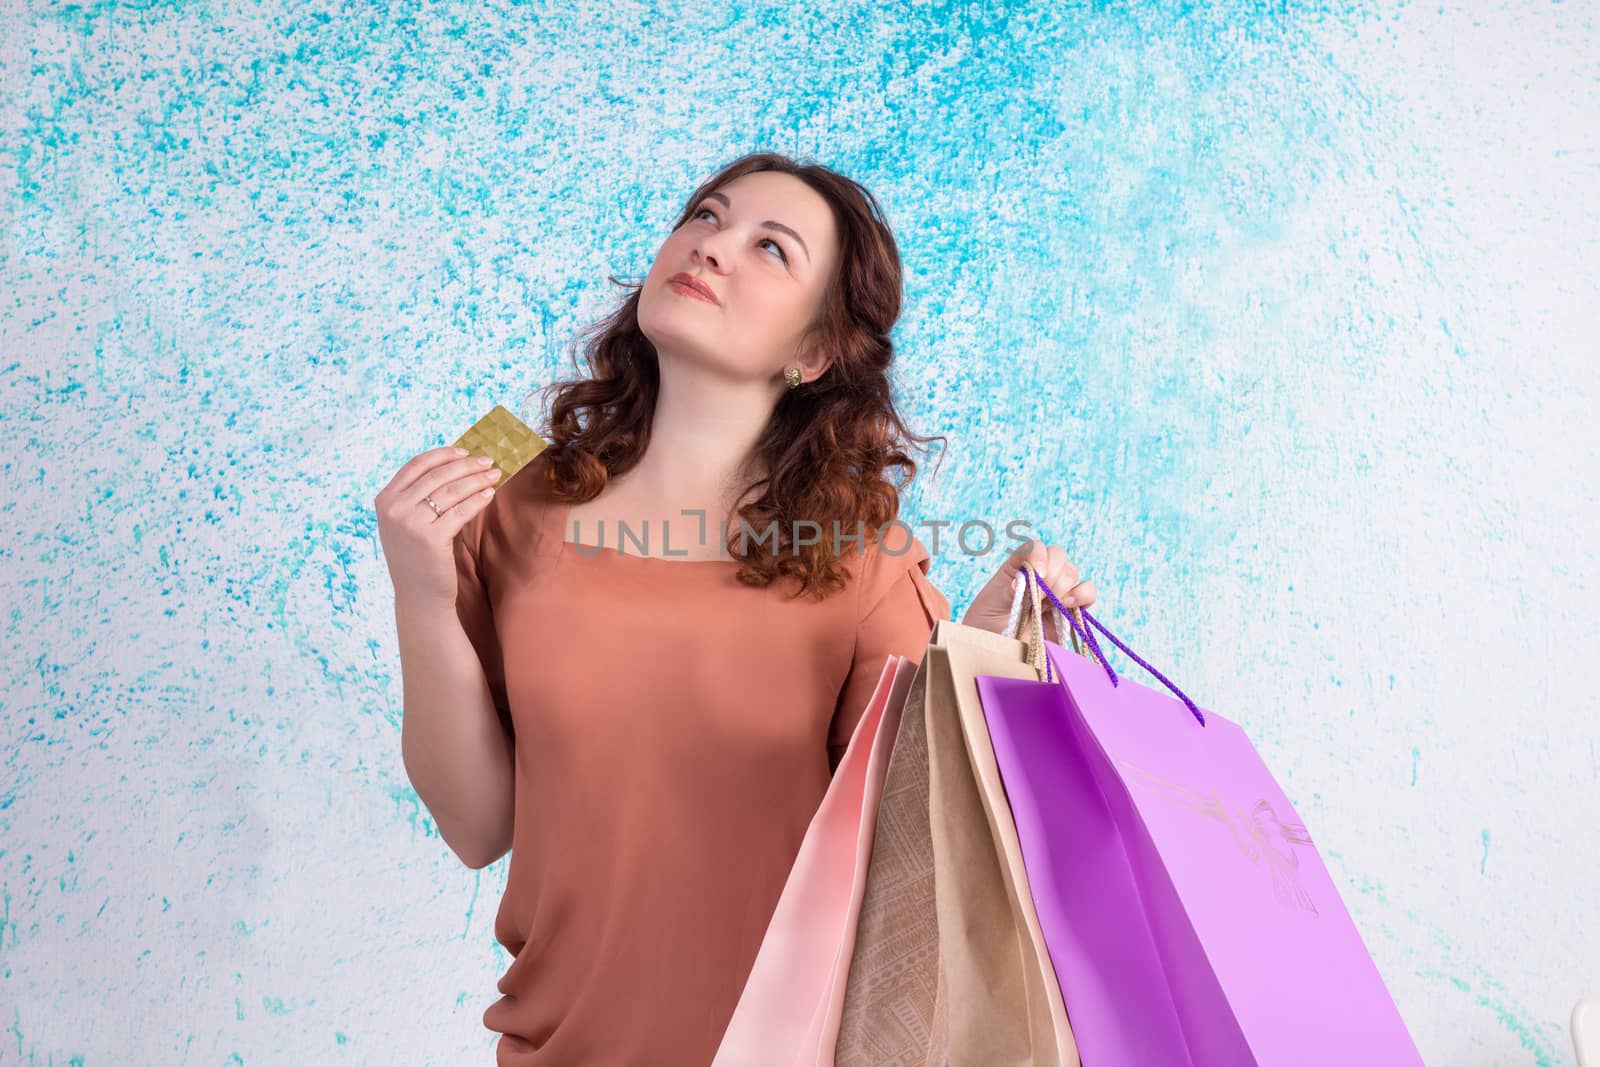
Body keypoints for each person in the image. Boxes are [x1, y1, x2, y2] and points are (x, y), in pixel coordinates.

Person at [375, 151, 1097, 1065]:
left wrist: (982, 652)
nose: (713, 247)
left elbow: (928, 836)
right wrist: (419, 589)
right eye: (706, 216)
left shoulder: (861, 552)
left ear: (814, 351)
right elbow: (478, 827)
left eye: (771, 248)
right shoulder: (511, 490)